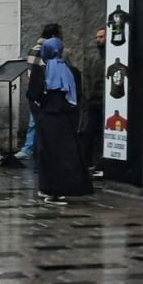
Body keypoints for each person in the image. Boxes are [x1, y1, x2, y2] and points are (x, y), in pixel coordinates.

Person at [27, 37, 92, 205]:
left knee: (46, 153)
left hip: (47, 116)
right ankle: (58, 189)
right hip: (64, 117)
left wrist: (42, 101)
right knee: (63, 155)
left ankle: (47, 187)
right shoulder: (70, 70)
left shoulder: (40, 71)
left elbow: (33, 94)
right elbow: (76, 94)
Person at [18, 24, 62, 160]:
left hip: (34, 90)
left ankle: (28, 148)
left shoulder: (33, 49)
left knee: (34, 121)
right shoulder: (48, 49)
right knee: (38, 122)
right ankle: (32, 149)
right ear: (54, 36)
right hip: (43, 91)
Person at [82, 27, 107, 177]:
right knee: (89, 132)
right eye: (97, 37)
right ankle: (89, 162)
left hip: (104, 100)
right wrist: (88, 96)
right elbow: (87, 78)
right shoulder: (92, 57)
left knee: (100, 134)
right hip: (94, 100)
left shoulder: (108, 57)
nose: (98, 39)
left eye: (101, 37)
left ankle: (99, 163)